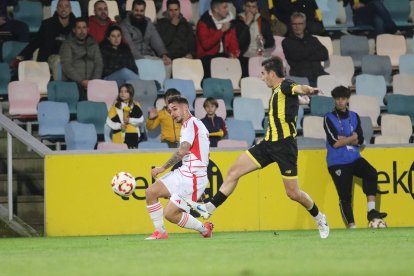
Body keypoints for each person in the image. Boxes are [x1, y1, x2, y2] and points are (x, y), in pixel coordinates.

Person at [190, 56, 330, 239]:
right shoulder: (278, 92)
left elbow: (298, 88)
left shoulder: (286, 85)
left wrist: (308, 90)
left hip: (285, 147)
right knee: (233, 172)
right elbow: (293, 98)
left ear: (272, 74)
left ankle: (319, 217)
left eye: (263, 73)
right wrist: (302, 100)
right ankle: (210, 207)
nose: (261, 77)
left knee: (293, 193)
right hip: (267, 144)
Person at [145, 95, 213, 240]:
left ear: (185, 107)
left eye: (175, 109)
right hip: (184, 172)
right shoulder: (189, 125)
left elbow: (182, 150)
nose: (172, 113)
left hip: (194, 177)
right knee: (151, 192)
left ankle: (204, 229)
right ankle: (161, 232)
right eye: (170, 111)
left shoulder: (191, 123)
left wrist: (162, 168)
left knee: (170, 214)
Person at [323, 86, 387, 228]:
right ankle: (352, 227)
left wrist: (345, 139)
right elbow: (334, 143)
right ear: (334, 100)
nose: (340, 102)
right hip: (337, 162)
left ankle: (371, 211)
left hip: (354, 158)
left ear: (347, 100)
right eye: (338, 99)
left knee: (371, 172)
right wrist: (352, 137)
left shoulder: (354, 116)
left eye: (343, 99)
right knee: (345, 197)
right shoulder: (328, 118)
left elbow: (360, 139)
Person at [10, 0, 76, 80]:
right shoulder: (47, 25)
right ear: (57, 9)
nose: (63, 9)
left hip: (70, 60)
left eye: (66, 6)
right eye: (60, 6)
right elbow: (34, 44)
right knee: (58, 61)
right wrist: (19, 58)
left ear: (70, 9)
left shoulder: (77, 26)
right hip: (50, 60)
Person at [59, 17, 103, 100]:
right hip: (74, 81)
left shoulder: (93, 44)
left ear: (88, 29)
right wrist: (82, 81)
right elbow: (66, 66)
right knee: (84, 97)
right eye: (79, 28)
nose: (82, 31)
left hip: (92, 81)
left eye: (84, 27)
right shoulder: (67, 44)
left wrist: (93, 82)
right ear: (74, 30)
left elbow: (99, 63)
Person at [282, 12, 328, 87]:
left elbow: (324, 54)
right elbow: (296, 56)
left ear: (305, 24)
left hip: (319, 75)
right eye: (294, 24)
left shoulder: (313, 39)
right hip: (301, 78)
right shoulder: (287, 42)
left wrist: (305, 53)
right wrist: (313, 51)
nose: (297, 26)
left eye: (300, 23)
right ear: (291, 25)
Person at [196, 0, 240, 78]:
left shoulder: (229, 21)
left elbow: (233, 42)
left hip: (224, 55)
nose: (227, 10)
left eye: (227, 7)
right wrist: (221, 31)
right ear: (216, 9)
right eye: (224, 7)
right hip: (207, 57)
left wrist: (234, 53)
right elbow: (206, 45)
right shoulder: (204, 22)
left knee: (236, 63)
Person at [120, 0, 171, 65]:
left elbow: (156, 40)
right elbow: (130, 48)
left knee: (168, 64)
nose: (139, 13)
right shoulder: (124, 25)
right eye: (136, 10)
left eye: (141, 11)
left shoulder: (148, 22)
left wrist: (164, 55)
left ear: (144, 11)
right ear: (132, 10)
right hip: (133, 59)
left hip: (149, 56)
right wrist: (144, 61)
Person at [234, 0, 275, 77]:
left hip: (259, 56)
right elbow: (238, 43)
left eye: (253, 7)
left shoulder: (263, 21)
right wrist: (247, 24)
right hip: (244, 58)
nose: (250, 9)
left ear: (257, 9)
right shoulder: (237, 22)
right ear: (244, 7)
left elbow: (271, 42)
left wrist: (264, 41)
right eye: (248, 6)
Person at [106, 83, 144, 148]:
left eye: (125, 92)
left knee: (132, 155)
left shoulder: (135, 105)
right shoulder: (115, 106)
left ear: (130, 93)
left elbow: (141, 119)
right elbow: (108, 120)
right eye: (121, 91)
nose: (122, 93)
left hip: (132, 134)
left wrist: (129, 120)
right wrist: (119, 126)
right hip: (119, 135)